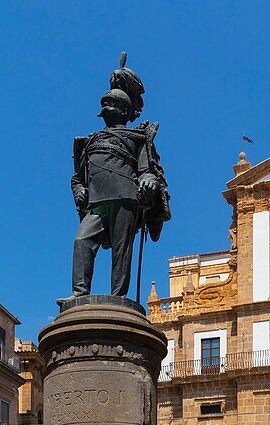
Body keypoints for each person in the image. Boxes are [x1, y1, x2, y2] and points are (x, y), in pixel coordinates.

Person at [66, 58, 169, 301]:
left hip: (125, 196)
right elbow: (77, 177)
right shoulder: (90, 141)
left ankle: (118, 297)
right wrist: (78, 189)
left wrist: (149, 182)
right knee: (82, 240)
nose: (106, 108)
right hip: (96, 201)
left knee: (122, 251)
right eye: (105, 104)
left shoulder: (137, 138)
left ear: (123, 110)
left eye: (111, 104)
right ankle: (79, 293)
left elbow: (147, 170)